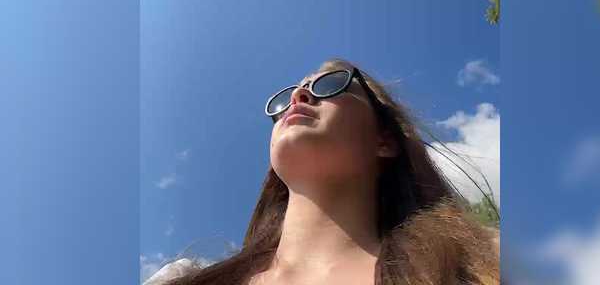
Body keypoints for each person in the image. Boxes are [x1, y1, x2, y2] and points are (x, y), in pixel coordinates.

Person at [146, 58, 499, 285]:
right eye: (288, 96)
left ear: (384, 141)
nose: (299, 96)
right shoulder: (180, 279)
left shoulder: (482, 262)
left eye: (329, 85)